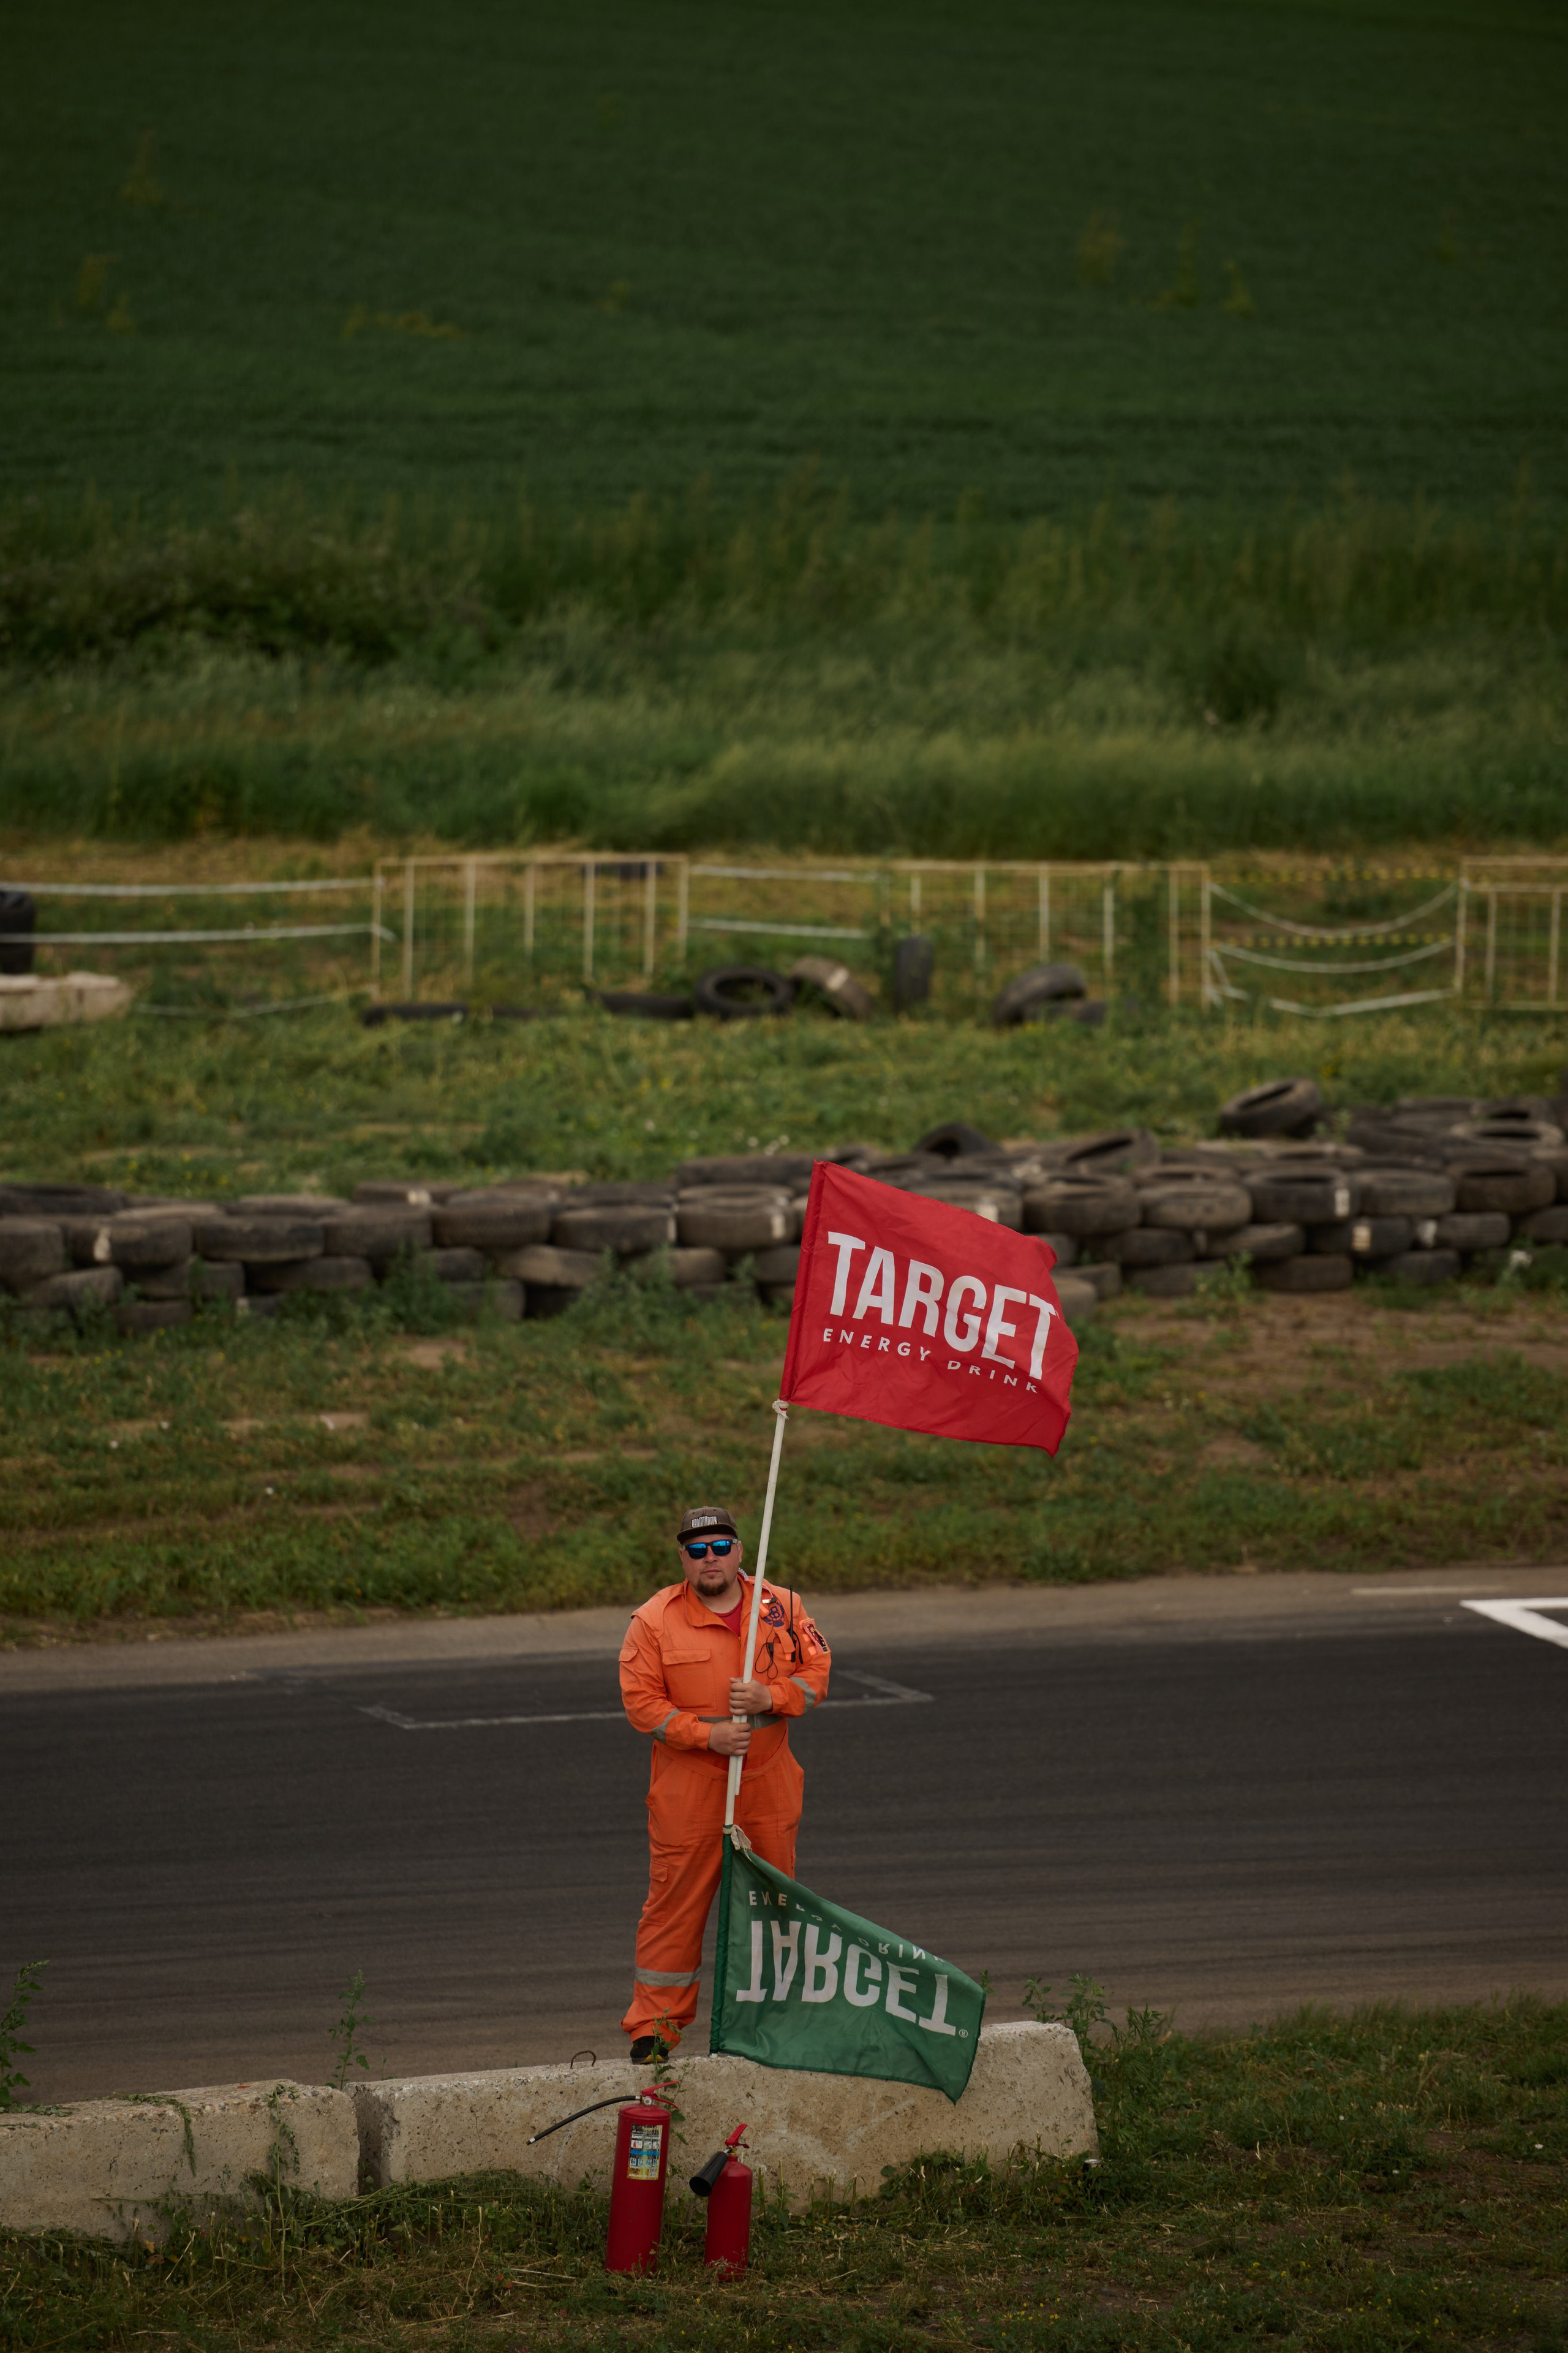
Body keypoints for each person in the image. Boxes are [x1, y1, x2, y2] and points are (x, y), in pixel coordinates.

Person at [617, 1503, 831, 2061]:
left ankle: (769, 2026)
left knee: (773, 1905)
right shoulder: (653, 1619)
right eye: (696, 1549)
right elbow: (641, 1704)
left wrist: (773, 1697)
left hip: (768, 1779)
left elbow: (817, 1674)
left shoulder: (783, 1606)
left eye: (719, 1547)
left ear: (738, 1551)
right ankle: (654, 2031)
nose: (709, 1558)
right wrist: (702, 1735)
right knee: (674, 1906)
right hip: (689, 1785)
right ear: (683, 1557)